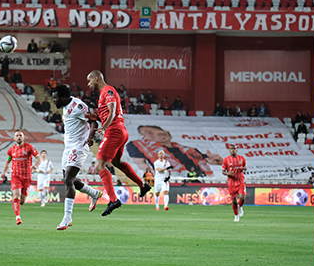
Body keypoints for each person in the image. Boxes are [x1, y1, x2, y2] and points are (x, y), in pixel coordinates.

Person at [87, 70, 150, 216]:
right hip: (120, 131)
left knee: (100, 165)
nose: (88, 84)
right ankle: (142, 185)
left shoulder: (108, 90)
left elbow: (112, 111)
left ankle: (113, 200)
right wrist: (96, 117)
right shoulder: (103, 94)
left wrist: (104, 127)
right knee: (116, 163)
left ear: (96, 79)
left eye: (89, 81)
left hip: (114, 131)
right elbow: (106, 114)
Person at [126, 125, 220, 175]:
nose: (157, 135)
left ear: (169, 135)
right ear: (143, 137)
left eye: (160, 133)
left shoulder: (190, 150)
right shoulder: (138, 146)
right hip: (169, 179)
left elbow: (212, 162)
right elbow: (141, 163)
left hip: (199, 179)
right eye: (149, 133)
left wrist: (219, 161)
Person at [0, 130, 38, 225]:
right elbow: (8, 162)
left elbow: (39, 157)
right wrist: (4, 172)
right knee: (16, 195)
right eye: (17, 135)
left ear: (24, 137)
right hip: (15, 176)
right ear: (14, 138)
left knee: (21, 201)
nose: (18, 137)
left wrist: (36, 165)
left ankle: (18, 198)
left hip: (26, 176)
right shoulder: (11, 150)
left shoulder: (29, 147)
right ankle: (18, 217)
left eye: (20, 135)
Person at [221, 145, 246, 222]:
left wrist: (244, 168)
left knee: (242, 197)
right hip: (231, 183)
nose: (233, 150)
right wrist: (228, 173)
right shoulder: (226, 160)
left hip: (240, 181)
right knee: (234, 201)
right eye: (231, 149)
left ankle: (240, 206)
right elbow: (223, 171)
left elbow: (244, 167)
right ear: (229, 150)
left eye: (234, 149)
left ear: (237, 150)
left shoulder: (242, 158)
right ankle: (236, 215)